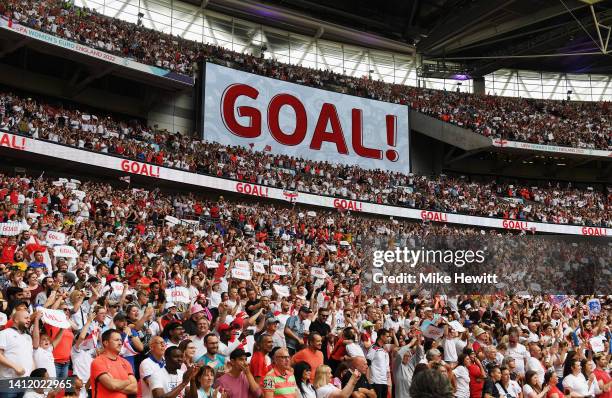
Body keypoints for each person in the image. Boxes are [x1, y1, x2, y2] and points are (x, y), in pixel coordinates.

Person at [90, 329, 138, 398]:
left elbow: (134, 389)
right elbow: (112, 385)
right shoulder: (98, 362)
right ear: (106, 343)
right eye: (116, 340)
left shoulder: (125, 362)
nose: (120, 343)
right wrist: (128, 382)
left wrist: (116, 384)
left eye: (121, 340)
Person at [0, 309, 34, 385]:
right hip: (8, 381)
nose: (29, 320)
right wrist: (15, 367)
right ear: (16, 320)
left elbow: (30, 358)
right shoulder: (4, 333)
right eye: (26, 318)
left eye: (29, 318)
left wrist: (33, 375)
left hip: (26, 381)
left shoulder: (28, 337)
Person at [394, 332, 424, 398]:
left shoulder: (411, 364)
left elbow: (419, 354)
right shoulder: (397, 366)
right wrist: (411, 343)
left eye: (409, 356)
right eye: (405, 356)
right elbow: (399, 354)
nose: (407, 357)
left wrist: (418, 342)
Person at [366, 328, 391, 398]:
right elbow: (367, 363)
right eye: (387, 336)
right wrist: (367, 379)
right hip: (375, 382)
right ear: (381, 336)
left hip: (384, 382)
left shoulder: (384, 350)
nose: (388, 338)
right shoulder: (374, 348)